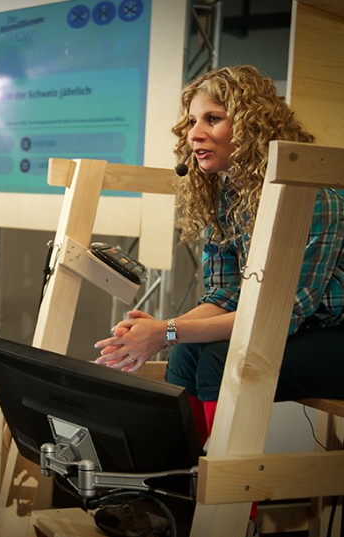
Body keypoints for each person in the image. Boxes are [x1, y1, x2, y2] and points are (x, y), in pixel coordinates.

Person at [92, 65, 344, 534]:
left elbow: (284, 313)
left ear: (250, 125)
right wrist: (164, 331)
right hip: (290, 323)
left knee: (216, 358)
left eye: (213, 119)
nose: (195, 134)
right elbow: (226, 294)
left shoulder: (316, 192)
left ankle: (228, 516)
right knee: (188, 353)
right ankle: (170, 498)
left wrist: (167, 331)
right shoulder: (231, 193)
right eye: (192, 121)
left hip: (332, 333)